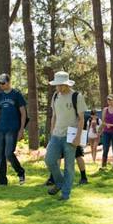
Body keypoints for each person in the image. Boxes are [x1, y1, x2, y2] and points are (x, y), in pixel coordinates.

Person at [44, 71, 87, 200]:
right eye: (56, 85)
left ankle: (65, 194)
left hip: (70, 136)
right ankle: (60, 182)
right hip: (56, 135)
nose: (57, 87)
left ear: (66, 84)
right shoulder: (55, 96)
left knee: (69, 166)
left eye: (59, 85)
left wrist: (78, 137)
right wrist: (52, 133)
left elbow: (81, 119)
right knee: (49, 160)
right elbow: (54, 116)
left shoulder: (77, 97)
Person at [0, 73, 27, 186]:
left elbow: (23, 113)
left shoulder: (17, 95)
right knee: (0, 155)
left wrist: (21, 130)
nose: (1, 85)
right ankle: (2, 181)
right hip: (1, 130)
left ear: (9, 82)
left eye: (3, 83)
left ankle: (21, 172)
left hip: (13, 129)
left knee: (8, 153)